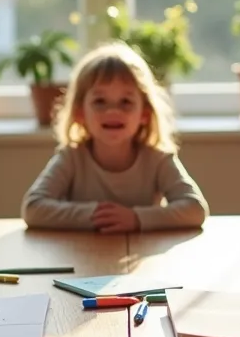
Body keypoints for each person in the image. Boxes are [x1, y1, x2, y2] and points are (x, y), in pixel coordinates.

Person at [21, 42, 208, 233]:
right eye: (100, 101)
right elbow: (33, 209)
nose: (112, 111)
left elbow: (195, 209)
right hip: (81, 255)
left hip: (142, 256)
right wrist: (95, 215)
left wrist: (136, 218)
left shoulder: (158, 159)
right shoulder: (71, 158)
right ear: (80, 113)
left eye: (126, 102)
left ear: (144, 113)